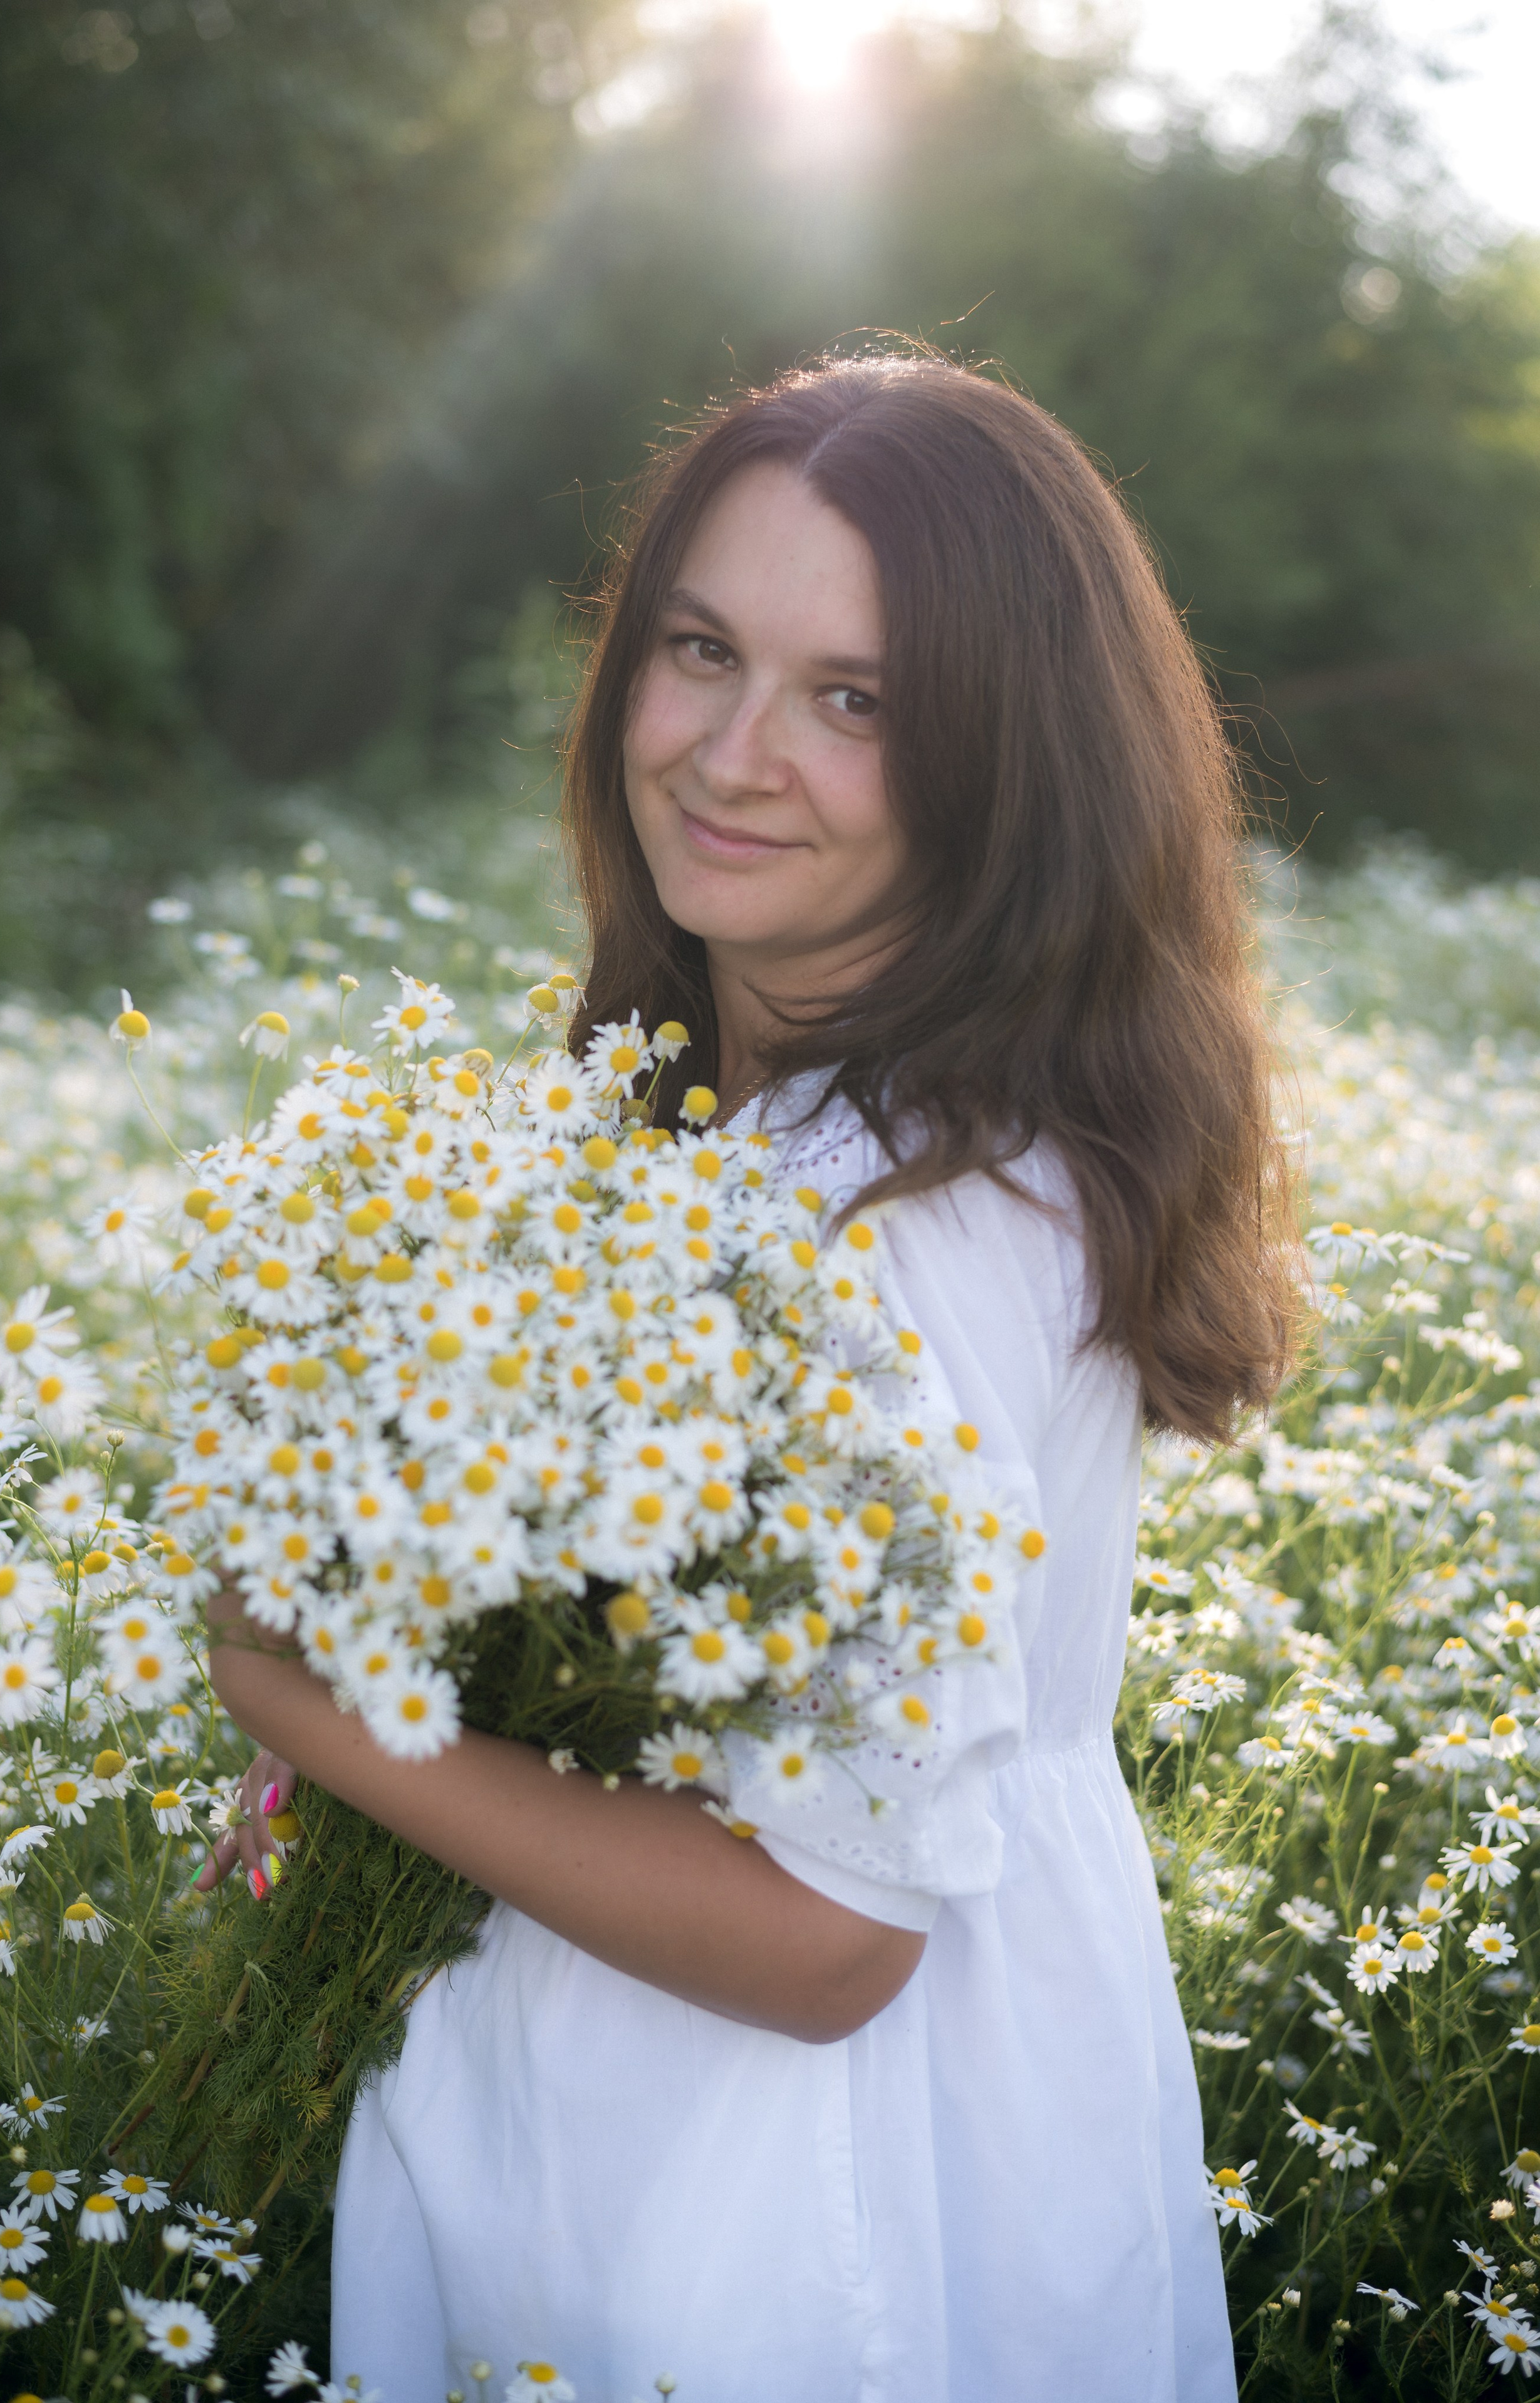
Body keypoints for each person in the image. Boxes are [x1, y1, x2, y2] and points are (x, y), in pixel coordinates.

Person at [205, 350, 1300, 2400]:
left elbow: (830, 1938)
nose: (730, 752)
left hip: (791, 2199)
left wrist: (312, 1698)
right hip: (727, 2120)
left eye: (854, 698)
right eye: (701, 649)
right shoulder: (829, 1139)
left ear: (1008, 765)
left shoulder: (884, 1230)